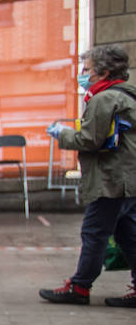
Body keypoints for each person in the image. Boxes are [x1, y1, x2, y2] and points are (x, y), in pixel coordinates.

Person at [40, 44, 136, 307]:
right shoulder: (129, 96)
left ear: (104, 72)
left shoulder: (103, 99)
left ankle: (80, 287)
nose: (84, 74)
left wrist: (62, 133)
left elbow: (91, 139)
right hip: (129, 180)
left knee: (94, 233)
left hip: (111, 181)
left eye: (88, 69)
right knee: (128, 234)